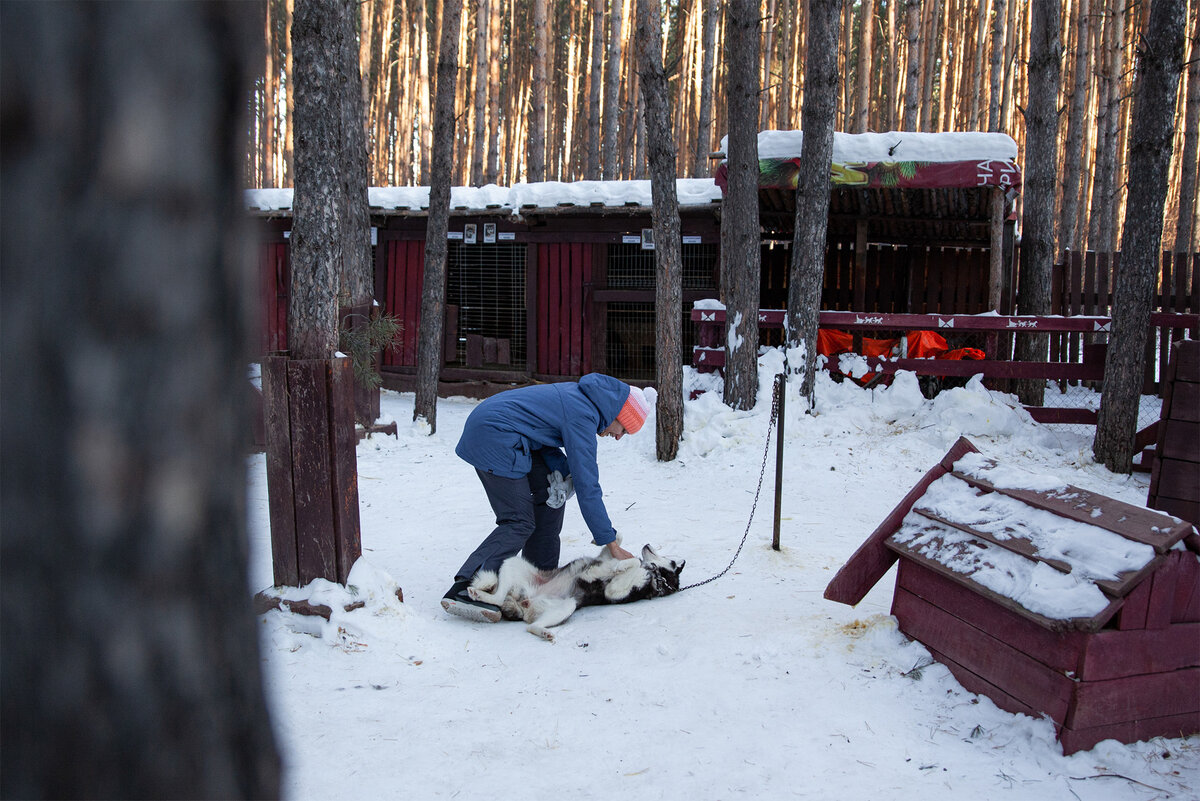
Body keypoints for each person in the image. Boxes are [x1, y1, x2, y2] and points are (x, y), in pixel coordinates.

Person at [441, 373, 657, 622]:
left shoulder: (585, 402)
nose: (619, 437)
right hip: (493, 435)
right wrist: (611, 543)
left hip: (507, 433)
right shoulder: (583, 414)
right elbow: (588, 486)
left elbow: (541, 433)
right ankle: (465, 585)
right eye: (625, 430)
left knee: (552, 493)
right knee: (519, 520)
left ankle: (536, 583)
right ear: (620, 414)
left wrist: (563, 472)